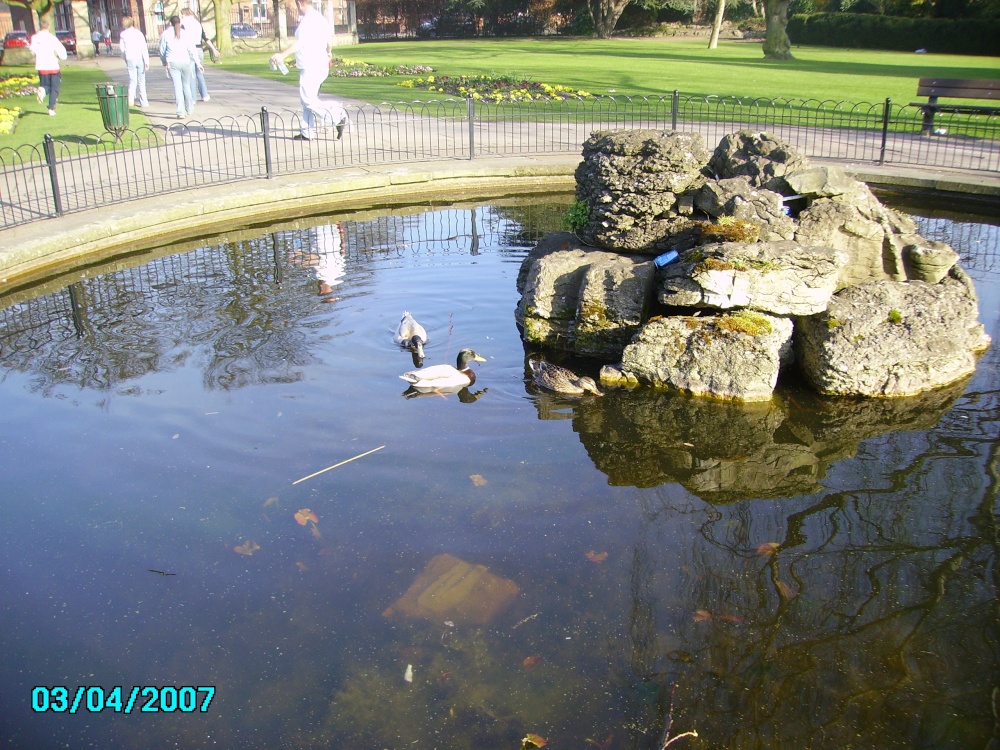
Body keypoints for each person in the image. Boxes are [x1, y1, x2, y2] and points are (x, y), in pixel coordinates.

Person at [270, 0, 348, 141]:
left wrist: (282, 55)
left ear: (300, 3)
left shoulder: (308, 22)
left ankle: (338, 117)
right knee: (306, 100)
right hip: (317, 64)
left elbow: (300, 43)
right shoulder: (320, 19)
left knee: (308, 100)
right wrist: (329, 53)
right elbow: (328, 41)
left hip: (311, 66)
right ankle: (307, 132)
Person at [158, 15, 201, 119]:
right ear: (180, 23)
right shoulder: (186, 34)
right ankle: (189, 108)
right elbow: (192, 50)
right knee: (186, 86)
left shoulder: (165, 34)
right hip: (185, 61)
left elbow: (162, 50)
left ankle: (181, 111)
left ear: (170, 23)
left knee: (177, 87)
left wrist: (164, 61)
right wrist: (198, 63)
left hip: (172, 62)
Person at [29, 20, 68, 116]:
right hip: (52, 65)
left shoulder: (34, 38)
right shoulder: (52, 38)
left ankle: (43, 90)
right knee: (55, 88)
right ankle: (51, 108)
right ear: (48, 26)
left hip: (41, 66)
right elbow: (61, 51)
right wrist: (62, 58)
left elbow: (32, 50)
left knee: (46, 85)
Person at [180, 8, 210, 102]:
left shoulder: (184, 24)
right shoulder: (198, 23)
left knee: (191, 74)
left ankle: (193, 98)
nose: (181, 16)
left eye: (182, 14)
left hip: (190, 50)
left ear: (185, 14)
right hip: (199, 49)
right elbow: (204, 37)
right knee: (199, 73)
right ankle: (205, 95)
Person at [119, 17, 149, 108]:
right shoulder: (138, 33)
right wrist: (147, 61)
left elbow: (122, 50)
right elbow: (144, 48)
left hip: (130, 58)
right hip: (139, 58)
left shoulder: (123, 34)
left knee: (132, 80)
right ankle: (144, 102)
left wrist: (125, 59)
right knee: (141, 81)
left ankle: (130, 100)